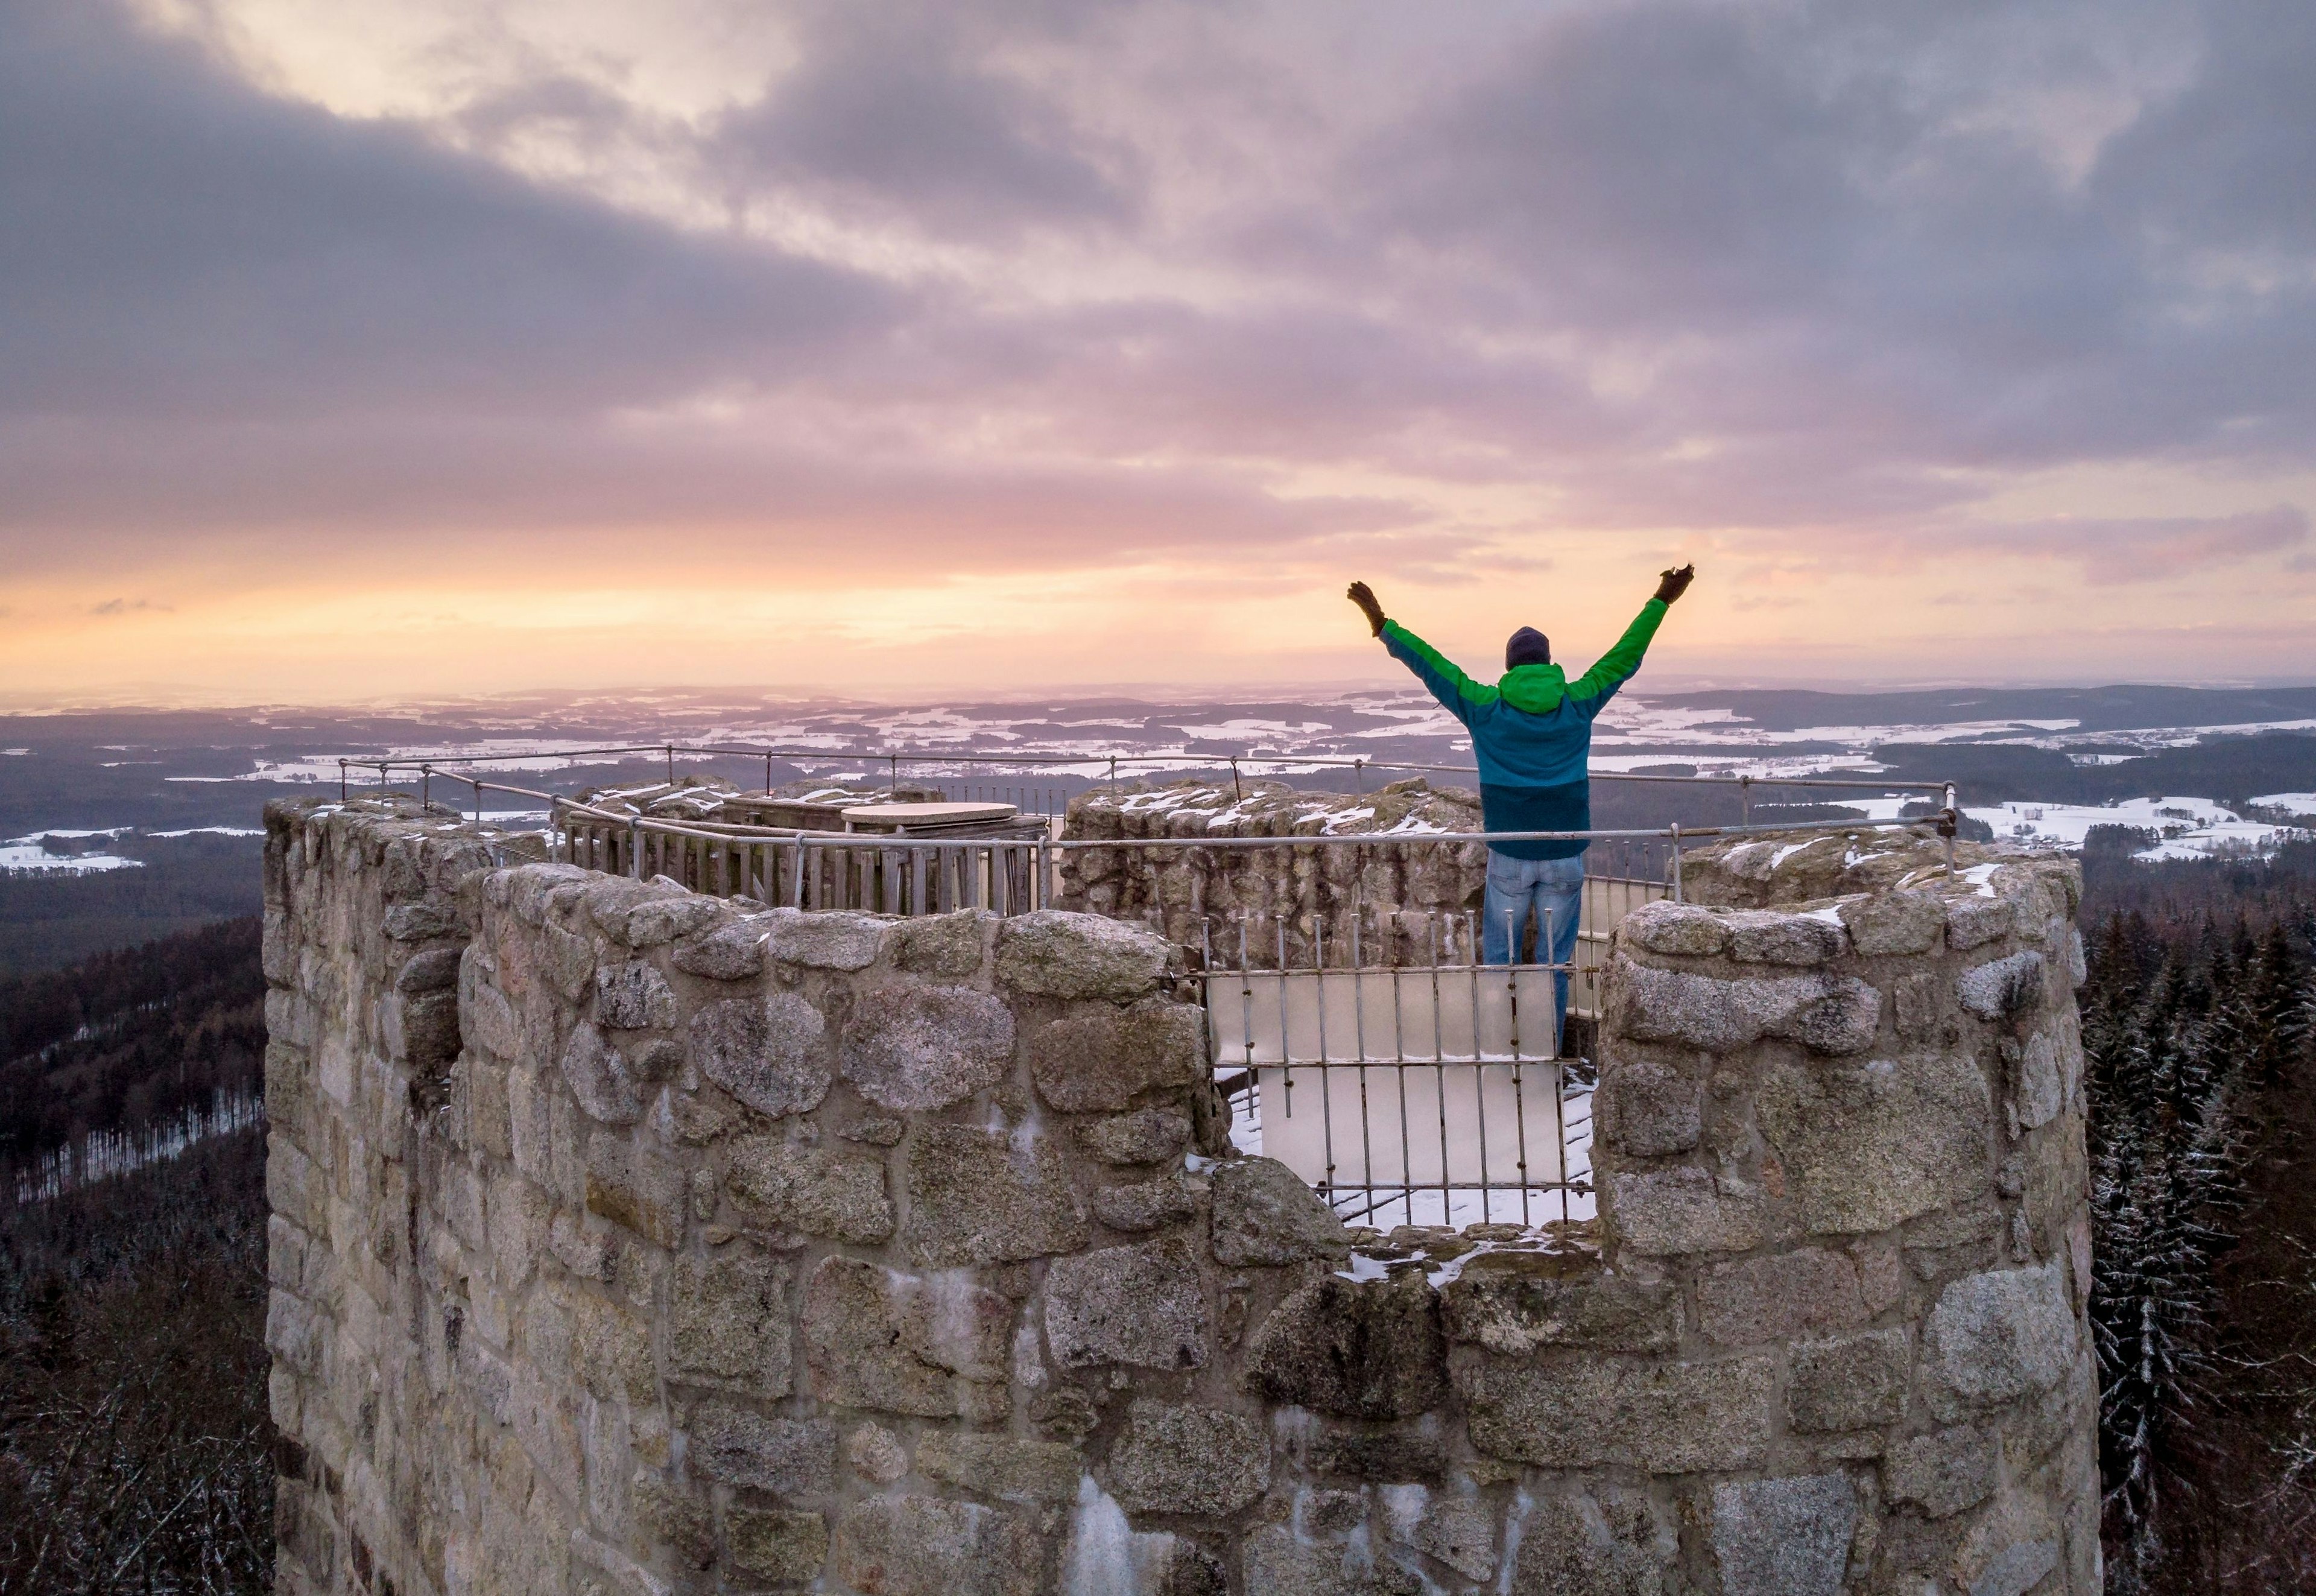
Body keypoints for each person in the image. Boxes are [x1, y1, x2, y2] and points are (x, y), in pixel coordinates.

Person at [1347, 564, 1696, 1039]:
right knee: (1553, 966)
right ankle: (1543, 1052)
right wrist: (1662, 598)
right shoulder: (1578, 701)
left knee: (1499, 962)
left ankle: (1498, 1049)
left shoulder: (1485, 706)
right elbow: (1624, 657)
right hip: (1565, 854)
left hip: (1510, 852)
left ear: (1510, 667)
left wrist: (1383, 624)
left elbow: (1432, 664)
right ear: (1548, 664)